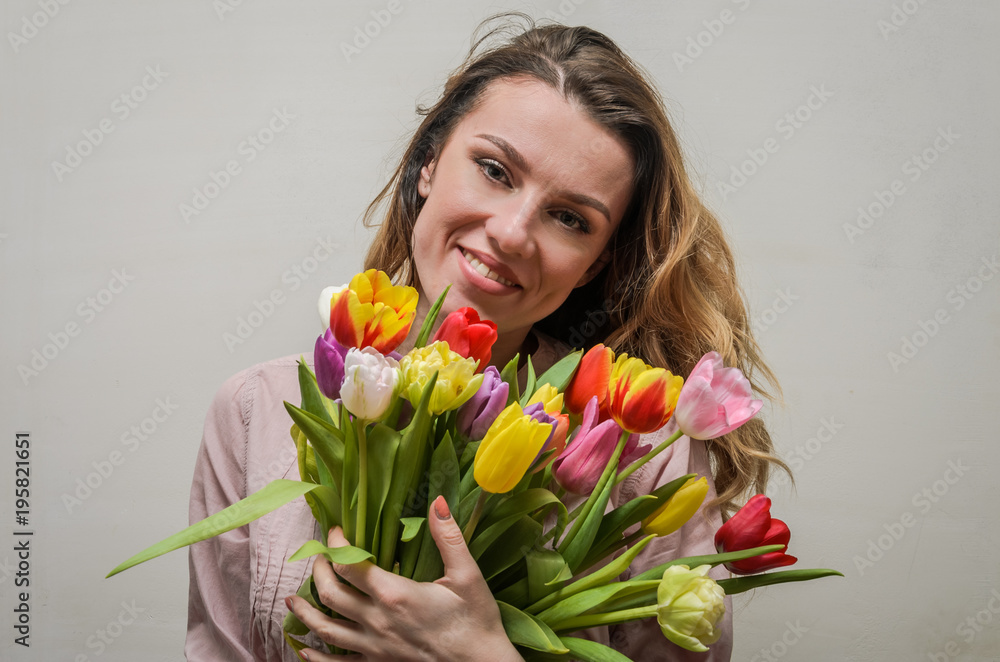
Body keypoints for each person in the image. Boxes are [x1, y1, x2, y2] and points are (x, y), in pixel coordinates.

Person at [185, 14, 787, 662]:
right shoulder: (255, 414)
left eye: (569, 218)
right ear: (427, 163)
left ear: (596, 263)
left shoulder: (647, 462)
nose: (511, 232)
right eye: (496, 170)